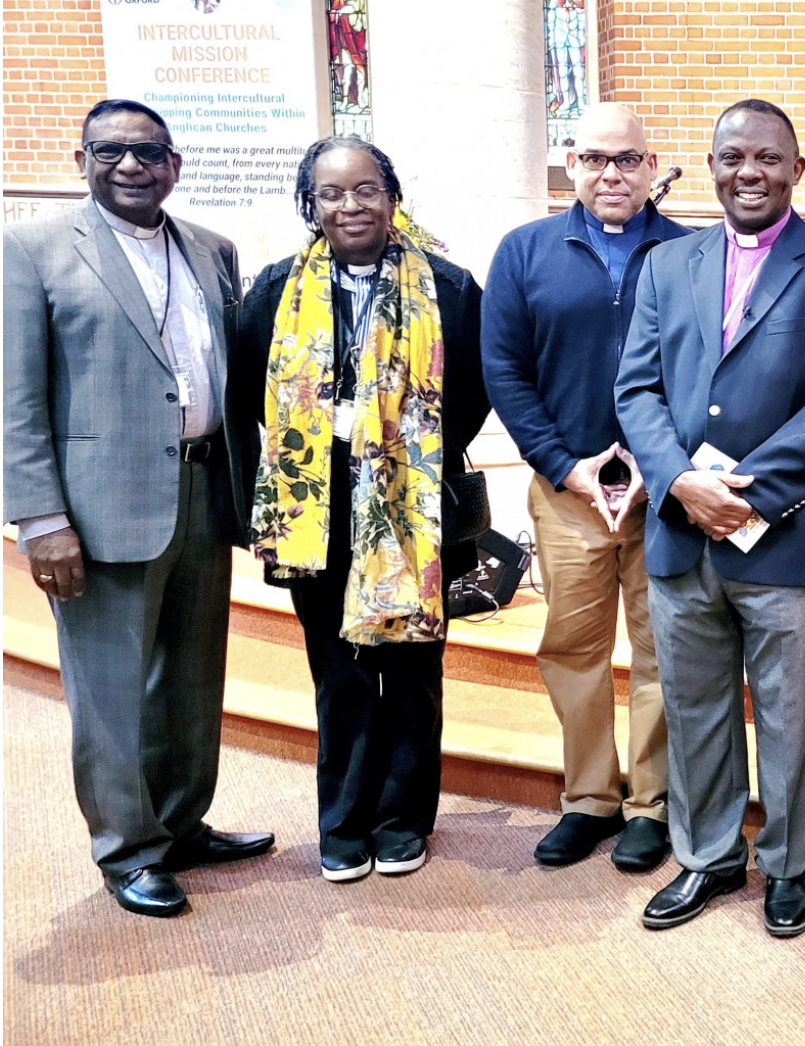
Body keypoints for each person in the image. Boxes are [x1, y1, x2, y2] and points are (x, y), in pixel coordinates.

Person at [615, 99, 805, 937]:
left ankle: (789, 866)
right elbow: (637, 389)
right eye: (732, 159)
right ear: (711, 166)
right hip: (681, 536)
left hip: (785, 535)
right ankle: (707, 856)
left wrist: (744, 493)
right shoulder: (668, 265)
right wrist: (677, 483)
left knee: (789, 716)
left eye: (767, 158)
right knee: (693, 709)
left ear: (796, 170)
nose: (749, 174)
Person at [3, 99, 273, 918]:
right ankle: (127, 849)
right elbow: (14, 399)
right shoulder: (33, 248)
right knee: (112, 689)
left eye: (148, 151)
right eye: (111, 151)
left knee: (191, 679)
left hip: (202, 492)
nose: (130, 165)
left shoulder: (210, 249)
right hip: (96, 510)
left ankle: (181, 822)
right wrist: (39, 517)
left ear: (174, 164)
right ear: (80, 159)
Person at [230, 135, 489, 883]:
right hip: (317, 506)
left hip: (413, 505)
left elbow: (471, 391)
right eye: (332, 194)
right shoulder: (277, 288)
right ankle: (343, 823)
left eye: (365, 189)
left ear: (392, 195)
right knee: (337, 670)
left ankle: (403, 818)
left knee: (410, 664)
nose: (350, 205)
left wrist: (402, 453)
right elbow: (252, 390)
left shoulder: (447, 284)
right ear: (310, 206)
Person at [482, 103, 689, 872]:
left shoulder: (688, 252)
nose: (612, 173)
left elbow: (699, 372)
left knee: (663, 650)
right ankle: (590, 798)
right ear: (571, 164)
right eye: (596, 159)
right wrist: (563, 465)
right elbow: (505, 368)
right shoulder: (527, 251)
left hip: (664, 494)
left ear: (651, 166)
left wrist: (654, 465)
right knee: (573, 646)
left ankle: (651, 803)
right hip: (566, 490)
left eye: (628, 159)